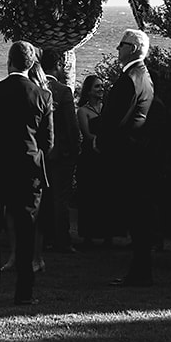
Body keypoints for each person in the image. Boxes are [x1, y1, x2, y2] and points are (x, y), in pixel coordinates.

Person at [0, 40, 53, 307]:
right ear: (31, 65)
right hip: (27, 170)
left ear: (8, 63)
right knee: (26, 229)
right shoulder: (42, 96)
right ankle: (24, 291)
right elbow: (48, 141)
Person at [94, 27, 157, 287]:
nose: (117, 48)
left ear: (131, 48)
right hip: (138, 155)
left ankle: (140, 273)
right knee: (138, 217)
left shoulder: (129, 79)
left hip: (128, 157)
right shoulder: (144, 76)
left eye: (121, 44)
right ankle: (140, 271)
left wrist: (98, 135)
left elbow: (115, 119)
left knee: (136, 217)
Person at [38, 47, 82, 253]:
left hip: (41, 152)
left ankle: (44, 236)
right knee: (60, 197)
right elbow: (71, 125)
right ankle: (61, 239)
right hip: (62, 152)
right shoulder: (63, 91)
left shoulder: (35, 88)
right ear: (58, 66)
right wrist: (75, 149)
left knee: (44, 196)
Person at [73, 73, 112, 247]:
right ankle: (89, 234)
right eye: (97, 86)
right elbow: (87, 134)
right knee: (90, 195)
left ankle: (107, 234)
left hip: (105, 157)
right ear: (88, 91)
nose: (101, 89)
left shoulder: (107, 108)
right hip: (90, 157)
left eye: (101, 86)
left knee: (106, 195)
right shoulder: (83, 111)